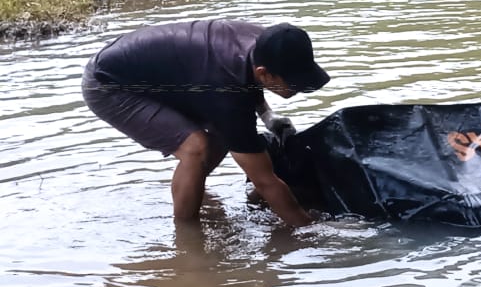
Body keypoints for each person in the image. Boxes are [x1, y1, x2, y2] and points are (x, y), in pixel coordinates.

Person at [82, 20, 330, 227]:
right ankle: (186, 233)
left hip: (163, 73)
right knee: (195, 147)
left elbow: (246, 81)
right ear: (264, 72)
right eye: (294, 82)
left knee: (223, 136)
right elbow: (264, 180)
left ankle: (191, 188)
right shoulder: (227, 89)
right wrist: (309, 230)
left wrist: (267, 115)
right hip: (109, 84)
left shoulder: (266, 43)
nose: (300, 87)